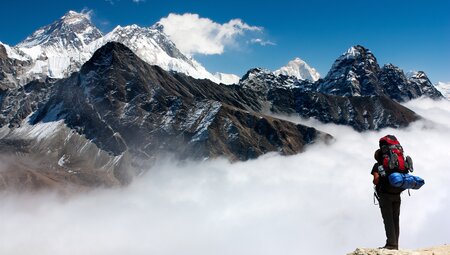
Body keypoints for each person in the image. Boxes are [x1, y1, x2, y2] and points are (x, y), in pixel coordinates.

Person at [371, 148, 404, 250]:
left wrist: (379, 177)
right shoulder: (394, 165)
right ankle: (395, 244)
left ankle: (391, 244)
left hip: (385, 195)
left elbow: (376, 180)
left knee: (388, 219)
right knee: (395, 219)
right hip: (397, 194)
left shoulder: (377, 165)